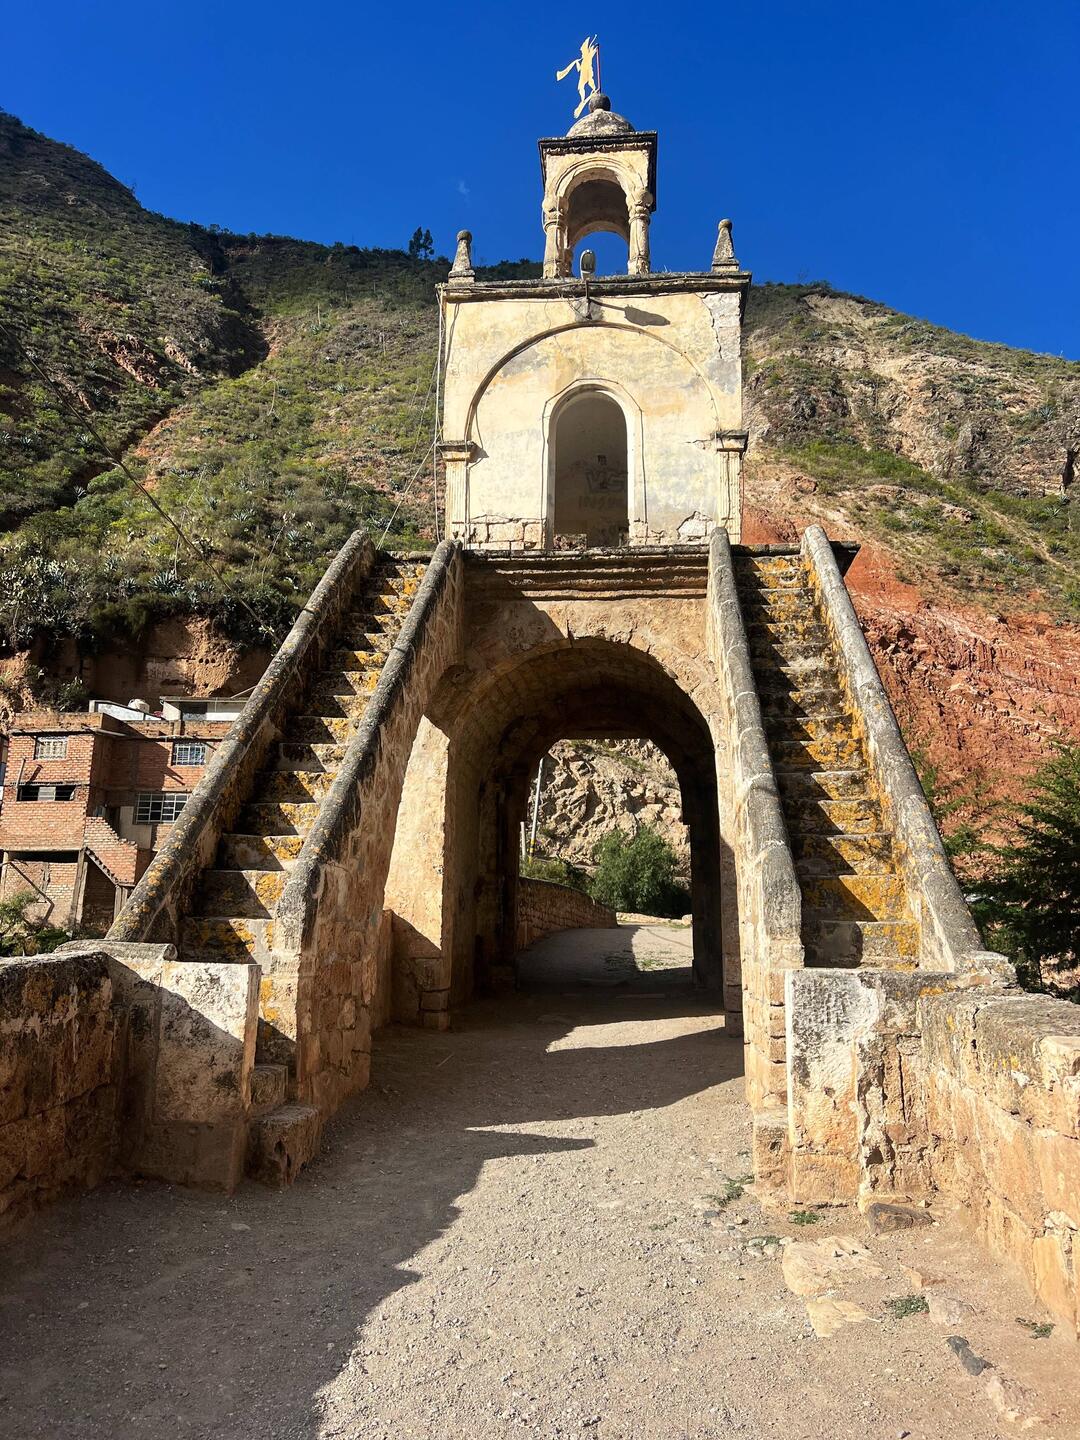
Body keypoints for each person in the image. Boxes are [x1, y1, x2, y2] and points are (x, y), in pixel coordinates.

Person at [556, 36, 600, 119]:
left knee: (586, 84)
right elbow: (579, 69)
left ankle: (592, 91)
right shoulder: (582, 60)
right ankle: (583, 99)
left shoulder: (587, 58)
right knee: (580, 88)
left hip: (587, 74)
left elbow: (592, 53)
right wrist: (577, 63)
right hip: (583, 76)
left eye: (583, 52)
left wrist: (595, 49)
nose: (582, 53)